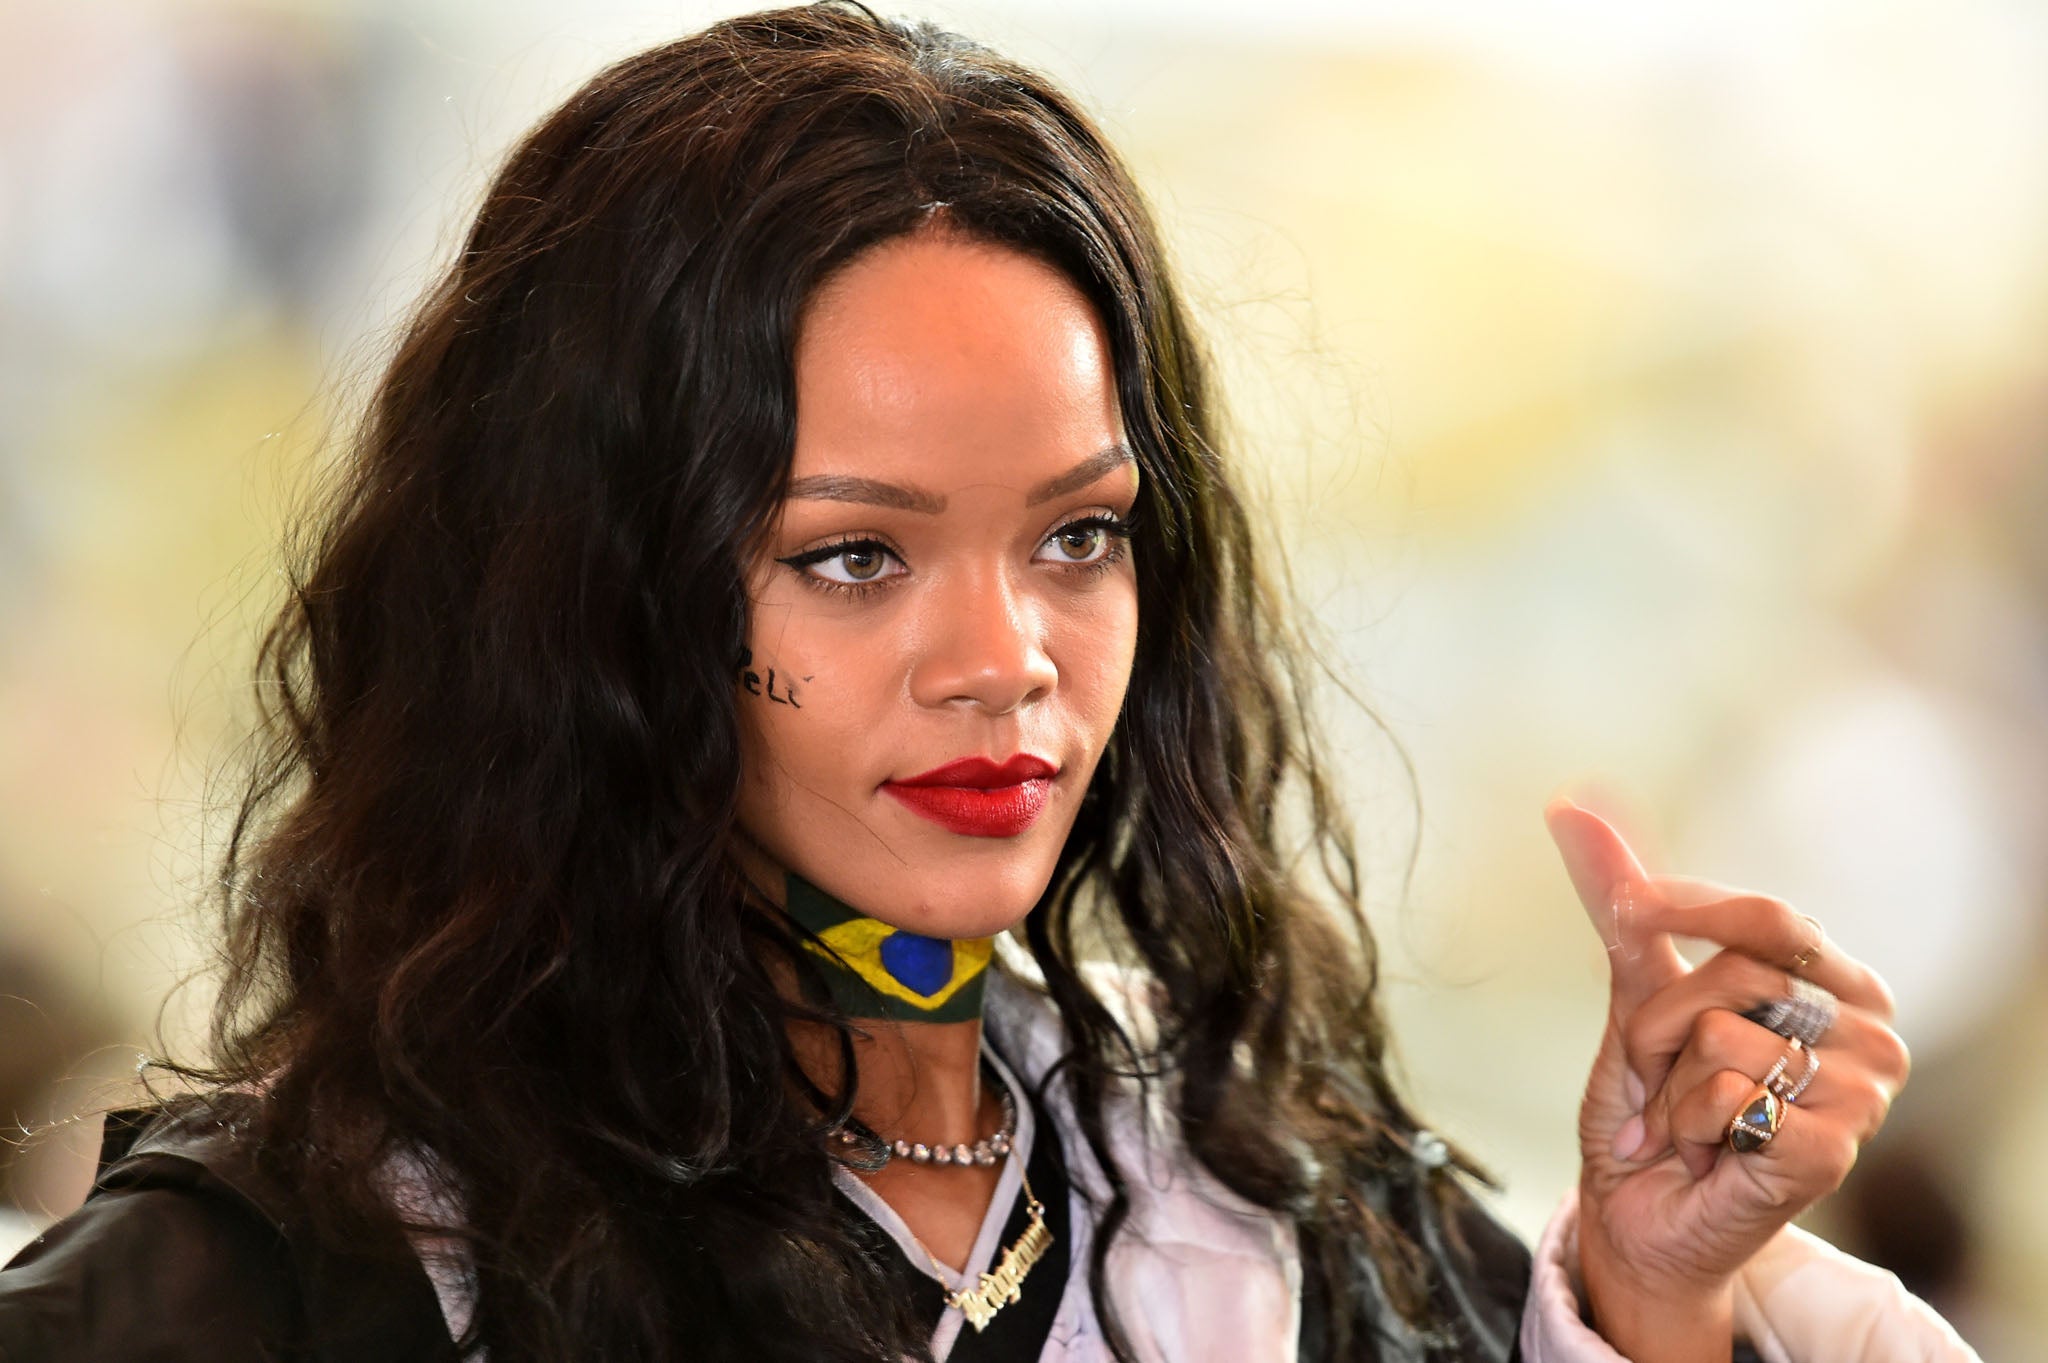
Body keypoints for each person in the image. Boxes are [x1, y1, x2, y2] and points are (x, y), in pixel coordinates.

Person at [0, 5, 1983, 1361]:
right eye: (854, 556)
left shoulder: (1253, 1202)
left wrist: (1648, 1287)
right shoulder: (300, 1272)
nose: (1004, 662)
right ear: (592, 602)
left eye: (1077, 536)